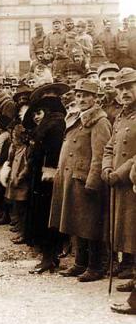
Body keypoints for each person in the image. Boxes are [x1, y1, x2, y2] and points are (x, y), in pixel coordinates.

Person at [49, 79, 111, 282]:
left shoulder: (100, 122)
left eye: (86, 95)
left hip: (85, 179)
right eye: (79, 95)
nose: (82, 99)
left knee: (90, 224)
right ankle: (80, 263)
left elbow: (100, 154)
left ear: (96, 98)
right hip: (71, 178)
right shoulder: (77, 117)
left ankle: (96, 266)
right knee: (77, 223)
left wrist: (93, 181)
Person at [102, 68, 136, 314]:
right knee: (129, 235)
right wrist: (105, 168)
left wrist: (119, 173)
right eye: (121, 88)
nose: (125, 92)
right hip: (119, 186)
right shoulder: (121, 116)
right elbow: (110, 146)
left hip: (130, 182)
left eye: (130, 87)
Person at [23, 91, 67, 274]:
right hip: (39, 175)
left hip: (45, 178)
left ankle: (49, 257)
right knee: (43, 215)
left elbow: (53, 151)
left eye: (39, 112)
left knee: (44, 215)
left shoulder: (54, 125)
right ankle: (49, 256)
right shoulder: (51, 123)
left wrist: (48, 169)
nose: (36, 117)